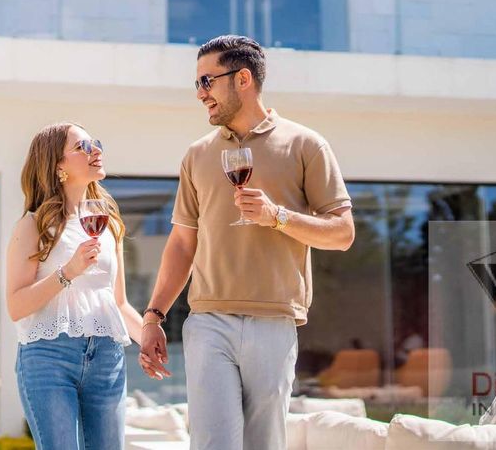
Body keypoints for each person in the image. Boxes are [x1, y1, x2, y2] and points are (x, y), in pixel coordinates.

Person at [139, 35, 355, 450]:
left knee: (263, 443)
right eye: (197, 83)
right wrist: (154, 316)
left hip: (274, 320)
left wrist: (278, 217)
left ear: (242, 79)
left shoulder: (306, 145)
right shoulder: (197, 155)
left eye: (207, 81)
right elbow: (182, 242)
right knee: (212, 443)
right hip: (209, 320)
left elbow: (343, 233)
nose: (200, 93)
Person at [7, 123, 143, 450]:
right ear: (58, 166)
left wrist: (150, 336)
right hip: (49, 358)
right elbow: (16, 306)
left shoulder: (109, 224)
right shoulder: (33, 225)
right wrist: (68, 272)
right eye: (83, 147)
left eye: (95, 143)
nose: (96, 151)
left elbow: (118, 303)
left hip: (107, 357)